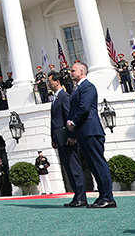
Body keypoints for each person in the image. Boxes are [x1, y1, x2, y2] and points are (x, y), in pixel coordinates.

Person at [66, 62, 115, 208]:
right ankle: (102, 196)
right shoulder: (78, 88)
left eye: (73, 71)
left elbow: (84, 108)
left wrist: (73, 123)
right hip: (84, 132)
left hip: (91, 130)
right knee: (93, 165)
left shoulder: (88, 86)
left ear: (82, 72)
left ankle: (108, 198)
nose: (71, 73)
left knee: (99, 163)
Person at [48, 70, 86, 207]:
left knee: (74, 167)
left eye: (50, 81)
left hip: (67, 138)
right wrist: (53, 138)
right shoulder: (56, 98)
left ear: (57, 82)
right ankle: (77, 196)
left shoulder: (64, 97)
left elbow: (69, 117)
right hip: (60, 139)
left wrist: (72, 136)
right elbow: (55, 120)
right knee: (68, 168)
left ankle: (81, 197)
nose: (48, 84)